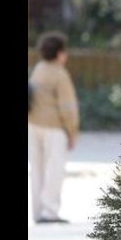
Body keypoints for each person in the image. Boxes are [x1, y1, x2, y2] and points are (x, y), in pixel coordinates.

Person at [28, 32, 79, 224]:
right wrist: (72, 131)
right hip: (54, 128)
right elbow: (68, 108)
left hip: (32, 125)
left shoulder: (38, 68)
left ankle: (37, 212)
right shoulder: (60, 74)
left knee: (37, 169)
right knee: (54, 170)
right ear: (59, 53)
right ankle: (50, 212)